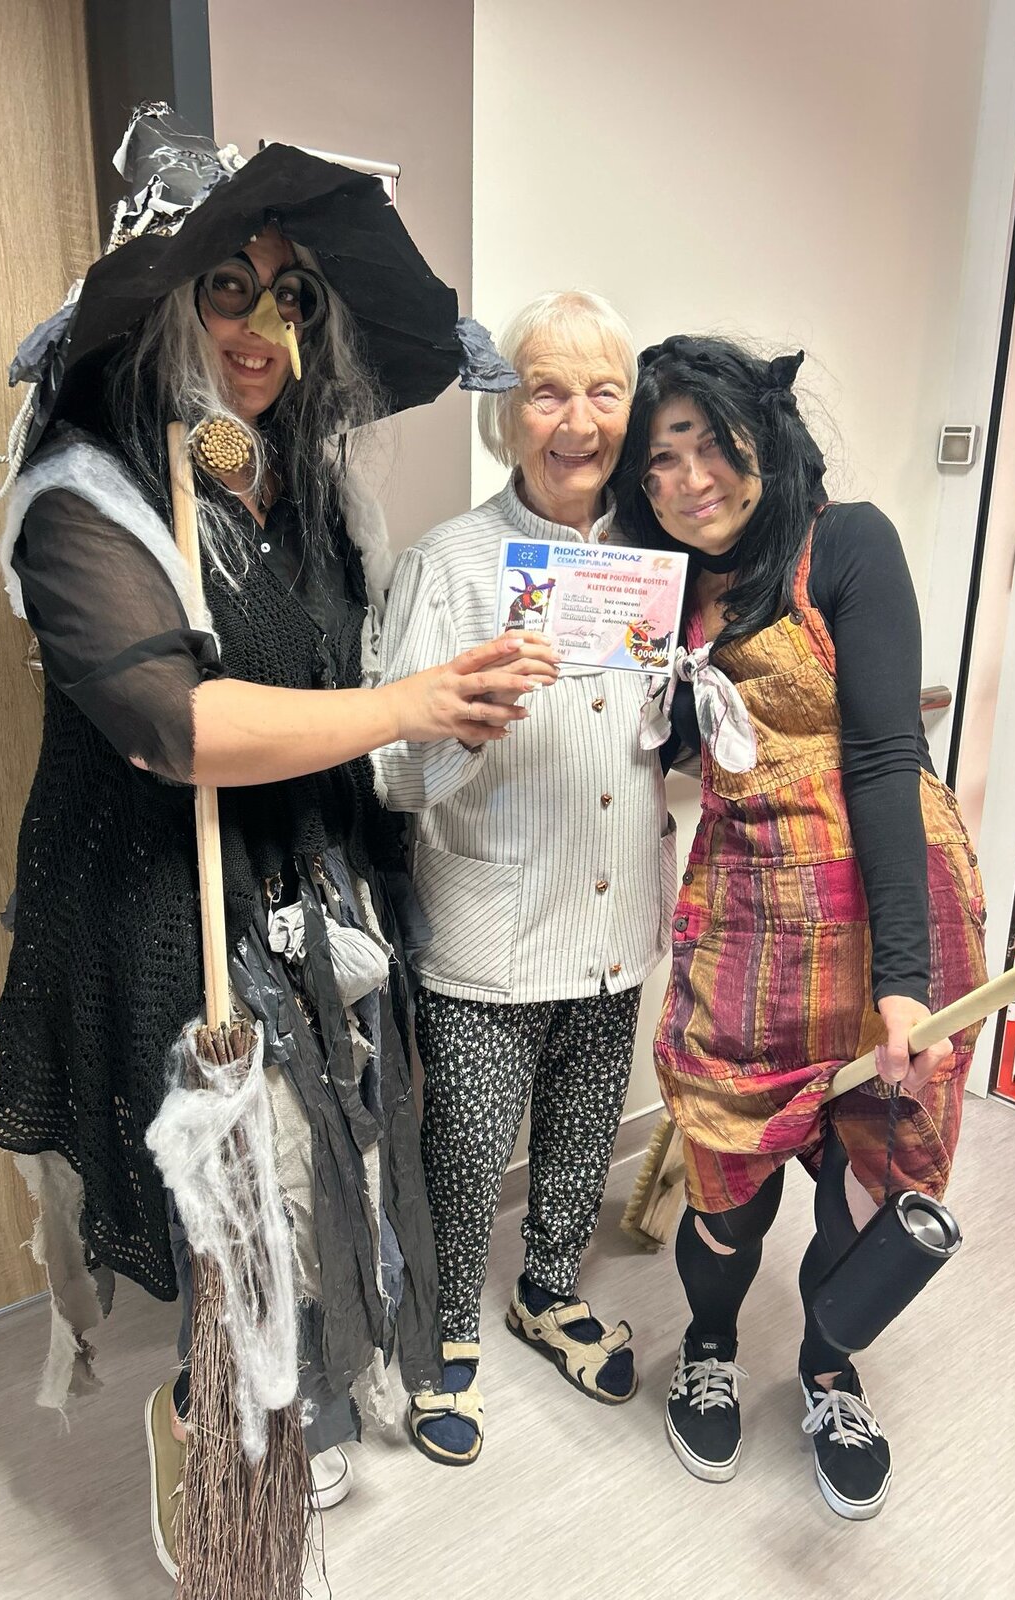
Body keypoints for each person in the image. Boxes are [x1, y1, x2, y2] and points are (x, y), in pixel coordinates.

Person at [0, 107, 555, 1578]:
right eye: (226, 289)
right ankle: (216, 1443)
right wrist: (402, 703)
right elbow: (168, 725)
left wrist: (440, 705)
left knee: (322, 1159)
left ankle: (293, 1411)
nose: (259, 326)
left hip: (303, 891)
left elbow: (332, 693)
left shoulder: (293, 484)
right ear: (164, 307)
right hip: (161, 904)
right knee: (234, 1194)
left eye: (288, 295)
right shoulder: (86, 493)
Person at [613, 335, 987, 1520]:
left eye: (707, 444)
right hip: (750, 917)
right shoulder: (666, 588)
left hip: (887, 915)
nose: (687, 480)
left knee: (873, 1173)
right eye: (657, 460)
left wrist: (905, 978)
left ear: (762, 436)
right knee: (728, 1174)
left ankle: (829, 1370)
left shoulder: (849, 543)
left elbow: (884, 759)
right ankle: (710, 1343)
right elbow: (673, 749)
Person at [375, 291, 678, 1466]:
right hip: (488, 930)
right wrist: (467, 719)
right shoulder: (448, 563)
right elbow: (392, 774)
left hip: (614, 916)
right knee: (464, 1151)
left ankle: (548, 1289)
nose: (578, 420)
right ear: (507, 413)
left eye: (605, 391)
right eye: (548, 390)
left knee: (586, 1129)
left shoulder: (652, 563)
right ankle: (445, 1323)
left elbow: (652, 737)